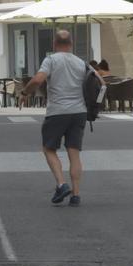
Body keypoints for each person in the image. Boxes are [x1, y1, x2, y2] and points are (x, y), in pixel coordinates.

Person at [19, 29, 88, 207]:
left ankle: (61, 184)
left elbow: (38, 79)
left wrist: (25, 92)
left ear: (54, 45)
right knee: (74, 153)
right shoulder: (81, 62)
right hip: (79, 112)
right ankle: (76, 195)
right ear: (71, 44)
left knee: (49, 149)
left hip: (57, 112)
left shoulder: (51, 60)